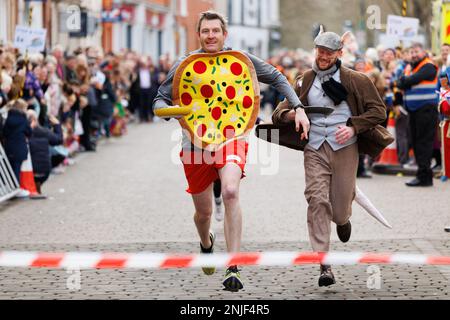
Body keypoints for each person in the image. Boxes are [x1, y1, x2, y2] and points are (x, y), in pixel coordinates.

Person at [153, 11, 309, 291]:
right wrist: (172, 111)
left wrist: (298, 107)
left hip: (231, 137)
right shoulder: (185, 64)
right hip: (195, 144)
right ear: (198, 35)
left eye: (216, 30)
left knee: (230, 192)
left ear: (225, 34)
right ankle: (206, 243)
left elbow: (277, 77)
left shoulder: (241, 60)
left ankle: (233, 266)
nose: (210, 35)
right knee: (203, 214)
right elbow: (159, 100)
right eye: (205, 31)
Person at [272, 29, 387, 287]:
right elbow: (278, 114)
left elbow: (379, 111)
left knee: (340, 205)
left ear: (339, 54)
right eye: (320, 51)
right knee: (316, 198)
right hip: (314, 148)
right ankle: (324, 264)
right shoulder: (304, 80)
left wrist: (354, 126)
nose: (323, 56)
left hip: (345, 148)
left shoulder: (356, 80)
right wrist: (295, 114)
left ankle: (343, 218)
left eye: (329, 52)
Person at [394, 43, 439, 187]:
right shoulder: (409, 67)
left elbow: (409, 80)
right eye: (411, 52)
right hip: (413, 110)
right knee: (415, 143)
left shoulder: (429, 66)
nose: (414, 54)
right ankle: (421, 175)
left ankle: (425, 177)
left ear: (424, 51)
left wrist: (405, 81)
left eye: (417, 51)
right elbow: (399, 83)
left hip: (426, 109)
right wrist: (404, 81)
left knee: (424, 144)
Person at [27, 110, 63, 195]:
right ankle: (37, 186)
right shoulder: (44, 131)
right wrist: (57, 125)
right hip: (45, 169)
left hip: (31, 169)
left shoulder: (23, 133)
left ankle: (34, 186)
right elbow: (58, 140)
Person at [2, 99, 32, 197]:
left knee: (10, 168)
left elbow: (4, 132)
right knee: (17, 169)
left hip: (9, 146)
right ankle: (16, 189)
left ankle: (9, 188)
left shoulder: (8, 118)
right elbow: (29, 132)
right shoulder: (23, 119)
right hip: (19, 147)